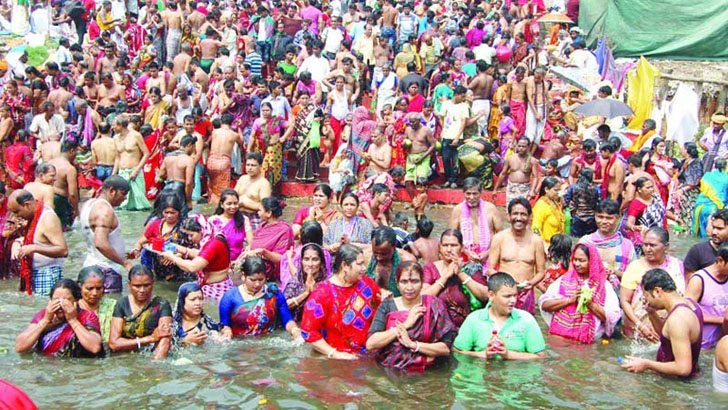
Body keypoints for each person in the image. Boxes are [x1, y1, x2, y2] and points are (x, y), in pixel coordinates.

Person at [366, 261, 456, 370]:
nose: (409, 287)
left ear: (422, 282)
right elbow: (371, 344)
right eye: (404, 282)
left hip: (427, 373)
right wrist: (404, 325)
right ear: (397, 283)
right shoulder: (387, 306)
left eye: (414, 281)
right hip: (391, 371)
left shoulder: (434, 305)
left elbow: (445, 349)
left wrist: (414, 345)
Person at [300, 244, 382, 359]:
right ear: (344, 265)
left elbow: (380, 313)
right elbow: (308, 331)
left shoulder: (368, 284)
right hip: (339, 360)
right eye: (359, 264)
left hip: (369, 355)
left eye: (364, 263)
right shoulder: (322, 294)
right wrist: (334, 353)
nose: (364, 268)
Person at [621, 268, 703, 379]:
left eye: (646, 296)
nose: (646, 300)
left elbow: (683, 368)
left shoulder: (678, 320)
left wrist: (646, 364)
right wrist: (651, 312)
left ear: (657, 291)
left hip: (675, 385)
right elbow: (668, 334)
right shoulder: (691, 304)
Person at [539, 244, 621, 344]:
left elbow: (611, 318)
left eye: (582, 261)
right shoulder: (564, 280)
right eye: (575, 259)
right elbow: (544, 304)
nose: (577, 264)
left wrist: (591, 304)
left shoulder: (603, 286)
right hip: (560, 339)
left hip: (590, 343)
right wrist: (569, 300)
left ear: (592, 262)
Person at [453, 272, 546, 360]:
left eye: (514, 295)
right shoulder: (474, 319)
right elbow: (457, 351)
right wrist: (483, 355)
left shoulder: (526, 319)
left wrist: (508, 355)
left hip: (516, 375)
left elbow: (539, 356)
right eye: (507, 296)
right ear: (491, 295)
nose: (513, 300)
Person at [620, 227, 685, 341]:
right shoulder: (635, 267)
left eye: (652, 245)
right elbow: (625, 301)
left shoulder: (677, 265)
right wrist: (640, 326)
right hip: (639, 331)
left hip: (671, 331)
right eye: (645, 245)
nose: (648, 249)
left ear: (666, 246)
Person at [15, 279, 102, 357]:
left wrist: (73, 320)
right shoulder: (44, 315)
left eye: (66, 300)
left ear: (76, 301)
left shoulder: (87, 316)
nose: (60, 305)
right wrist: (45, 321)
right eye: (56, 300)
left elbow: (94, 347)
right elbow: (20, 347)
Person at [218, 256, 301, 339]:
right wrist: (227, 332)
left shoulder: (273, 293)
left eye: (261, 279)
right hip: (240, 343)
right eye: (252, 280)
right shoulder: (230, 297)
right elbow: (224, 325)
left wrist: (295, 331)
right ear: (243, 276)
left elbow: (287, 320)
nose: (257, 284)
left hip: (268, 342)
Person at [488, 198, 546, 314]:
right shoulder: (499, 238)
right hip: (503, 293)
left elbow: (541, 272)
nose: (519, 218)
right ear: (508, 216)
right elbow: (490, 269)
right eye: (515, 214)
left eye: (523, 214)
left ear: (530, 217)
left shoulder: (537, 241)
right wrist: (506, 283)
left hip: (526, 293)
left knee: (524, 328)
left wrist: (532, 283)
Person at [422, 229, 490, 327]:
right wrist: (445, 276)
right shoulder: (430, 268)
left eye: (453, 245)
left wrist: (460, 273)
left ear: (461, 248)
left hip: (468, 326)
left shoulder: (471, 268)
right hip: (438, 327)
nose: (449, 249)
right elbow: (423, 297)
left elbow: (485, 295)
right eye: (445, 245)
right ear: (439, 248)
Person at [9, 190, 68, 296]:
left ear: (27, 205)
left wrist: (34, 248)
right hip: (35, 273)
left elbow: (63, 250)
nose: (16, 217)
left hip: (48, 274)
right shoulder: (34, 216)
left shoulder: (48, 218)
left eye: (17, 212)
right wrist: (17, 242)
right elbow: (39, 239)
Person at [79, 176, 132, 293]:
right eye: (123, 194)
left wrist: (122, 254)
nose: (125, 198)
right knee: (109, 308)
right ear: (112, 191)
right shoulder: (104, 210)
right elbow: (100, 243)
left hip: (90, 264)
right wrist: (125, 263)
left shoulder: (88, 204)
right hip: (106, 270)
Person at [108, 265, 173, 360]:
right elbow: (114, 343)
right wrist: (149, 339)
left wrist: (156, 365)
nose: (142, 290)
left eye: (147, 285)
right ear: (129, 284)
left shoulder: (161, 304)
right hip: (125, 357)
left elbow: (165, 338)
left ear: (153, 283)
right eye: (137, 286)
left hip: (151, 356)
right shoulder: (122, 304)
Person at [162, 217, 233, 302]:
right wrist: (176, 247)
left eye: (191, 235)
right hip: (209, 286)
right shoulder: (211, 237)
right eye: (188, 235)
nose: (189, 238)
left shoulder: (214, 243)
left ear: (201, 230)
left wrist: (173, 258)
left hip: (217, 289)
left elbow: (193, 267)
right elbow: (201, 254)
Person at [128, 192, 191, 282]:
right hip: (156, 268)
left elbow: (191, 248)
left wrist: (175, 257)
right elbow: (141, 242)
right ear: (162, 212)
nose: (169, 216)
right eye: (166, 212)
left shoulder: (185, 226)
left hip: (178, 269)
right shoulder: (155, 224)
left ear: (179, 212)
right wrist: (136, 250)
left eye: (173, 213)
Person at [580, 199, 637, 283]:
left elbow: (633, 275)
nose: (604, 221)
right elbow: (575, 271)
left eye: (609, 218)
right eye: (600, 217)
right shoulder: (586, 242)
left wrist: (615, 273)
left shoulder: (626, 245)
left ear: (618, 218)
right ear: (595, 216)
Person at [448, 177, 501, 264]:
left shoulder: (491, 208)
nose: (471, 197)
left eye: (475, 194)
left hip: (489, 255)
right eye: (468, 194)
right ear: (463, 193)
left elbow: (500, 236)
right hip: (465, 256)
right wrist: (467, 252)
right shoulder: (458, 210)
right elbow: (453, 237)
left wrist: (487, 253)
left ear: (481, 193)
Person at [685, 245, 728, 349]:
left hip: (721, 345)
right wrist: (721, 320)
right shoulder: (699, 280)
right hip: (701, 347)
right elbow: (686, 314)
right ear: (720, 260)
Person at [245, 197, 294, 281]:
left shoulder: (284, 230)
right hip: (254, 270)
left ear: (268, 213)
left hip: (272, 276)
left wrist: (264, 252)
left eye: (260, 210)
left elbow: (282, 258)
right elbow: (253, 244)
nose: (258, 213)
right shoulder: (262, 226)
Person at [364, 226, 418, 297]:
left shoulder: (407, 261)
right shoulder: (365, 256)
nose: (379, 258)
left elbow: (415, 292)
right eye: (375, 253)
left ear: (394, 247)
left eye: (384, 254)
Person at [113, 116, 152, 211]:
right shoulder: (115, 138)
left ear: (121, 125)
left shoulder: (136, 135)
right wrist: (113, 175)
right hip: (122, 173)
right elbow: (117, 157)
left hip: (135, 173)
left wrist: (136, 170)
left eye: (114, 125)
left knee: (140, 205)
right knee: (121, 205)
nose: (112, 127)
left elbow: (146, 153)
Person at [208, 189, 253, 264]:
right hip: (217, 262)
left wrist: (247, 250)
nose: (233, 206)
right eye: (229, 204)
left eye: (235, 203)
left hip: (238, 263)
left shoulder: (244, 220)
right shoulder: (213, 221)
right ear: (222, 204)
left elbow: (251, 242)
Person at [172, 282, 222, 346]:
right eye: (193, 300)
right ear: (182, 302)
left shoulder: (209, 324)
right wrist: (184, 342)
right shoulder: (171, 322)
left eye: (201, 299)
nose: (198, 303)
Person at [77, 266, 117, 344]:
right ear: (80, 286)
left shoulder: (113, 305)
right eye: (90, 288)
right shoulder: (73, 308)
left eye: (99, 288)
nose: (95, 293)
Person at [494, 137, 539, 204]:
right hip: (511, 188)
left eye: (523, 146)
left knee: (523, 209)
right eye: (519, 146)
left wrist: (532, 190)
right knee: (510, 210)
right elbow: (503, 174)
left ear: (528, 147)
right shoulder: (510, 158)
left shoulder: (532, 160)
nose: (521, 148)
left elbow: (535, 177)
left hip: (524, 188)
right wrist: (495, 189)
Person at [234, 152, 272, 231]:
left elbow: (265, 207)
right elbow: (232, 196)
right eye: (248, 165)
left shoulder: (263, 183)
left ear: (260, 167)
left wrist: (245, 204)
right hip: (238, 214)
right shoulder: (242, 179)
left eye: (253, 165)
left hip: (254, 217)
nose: (250, 168)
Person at [626, 177, 666, 251]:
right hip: (644, 240)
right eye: (648, 188)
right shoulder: (636, 204)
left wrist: (677, 219)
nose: (651, 189)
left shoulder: (656, 198)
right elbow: (629, 223)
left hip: (659, 236)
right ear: (639, 189)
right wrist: (635, 227)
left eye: (652, 187)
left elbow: (663, 211)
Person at [684, 209, 728, 276]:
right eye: (713, 227)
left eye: (719, 229)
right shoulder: (698, 251)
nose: (714, 232)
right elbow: (689, 281)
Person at [47, 139, 79, 230]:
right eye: (76, 152)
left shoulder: (49, 162)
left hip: (47, 197)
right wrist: (76, 210)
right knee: (64, 230)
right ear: (72, 151)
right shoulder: (69, 169)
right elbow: (72, 194)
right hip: (60, 202)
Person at [671, 142, 702, 231]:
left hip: (691, 193)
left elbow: (696, 180)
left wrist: (683, 190)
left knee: (689, 215)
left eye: (684, 149)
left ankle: (688, 231)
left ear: (688, 151)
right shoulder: (685, 162)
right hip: (683, 192)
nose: (682, 150)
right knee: (682, 215)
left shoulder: (696, 163)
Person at [694, 159, 728, 238]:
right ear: (725, 167)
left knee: (699, 234)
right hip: (714, 208)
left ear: (714, 166)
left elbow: (701, 189)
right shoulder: (726, 179)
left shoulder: (707, 175)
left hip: (699, 208)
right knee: (712, 235)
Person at [531, 176, 565, 246]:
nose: (558, 193)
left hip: (557, 245)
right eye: (556, 190)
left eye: (559, 190)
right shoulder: (541, 206)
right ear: (546, 189)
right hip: (547, 246)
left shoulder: (554, 202)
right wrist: (543, 246)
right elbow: (536, 229)